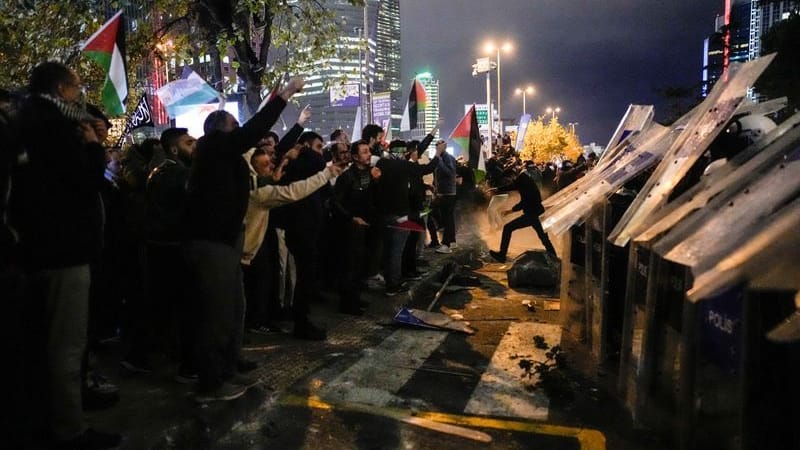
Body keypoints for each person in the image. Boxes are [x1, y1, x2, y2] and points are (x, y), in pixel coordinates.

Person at [11, 61, 121, 448]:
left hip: (35, 248)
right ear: (61, 89)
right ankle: (69, 431)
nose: (80, 95)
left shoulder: (24, 119)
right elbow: (84, 181)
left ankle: (44, 422)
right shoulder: (57, 125)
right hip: (64, 250)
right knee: (66, 346)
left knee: (42, 345)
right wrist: (93, 146)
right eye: (76, 88)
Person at [183, 77, 304, 403]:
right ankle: (211, 380)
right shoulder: (214, 147)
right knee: (217, 313)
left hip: (227, 241)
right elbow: (253, 131)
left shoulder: (223, 154)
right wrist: (283, 96)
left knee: (236, 307)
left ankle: (230, 361)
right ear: (221, 130)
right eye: (234, 126)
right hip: (213, 243)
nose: (240, 133)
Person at [489, 167, 557, 262]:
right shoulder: (523, 179)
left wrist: (510, 211)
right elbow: (512, 186)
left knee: (508, 228)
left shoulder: (523, 181)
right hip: (536, 212)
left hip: (532, 214)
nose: (509, 181)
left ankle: (502, 254)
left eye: (509, 179)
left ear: (512, 175)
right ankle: (554, 258)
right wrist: (497, 189)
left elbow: (525, 202)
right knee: (544, 238)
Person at [432, 139, 458, 253]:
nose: (437, 147)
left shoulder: (447, 158)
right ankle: (452, 241)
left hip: (448, 193)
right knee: (449, 218)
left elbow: (449, 173)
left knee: (447, 219)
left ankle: (446, 244)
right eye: (436, 145)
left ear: (444, 147)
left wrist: (439, 160)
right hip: (444, 192)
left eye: (439, 146)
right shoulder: (442, 157)